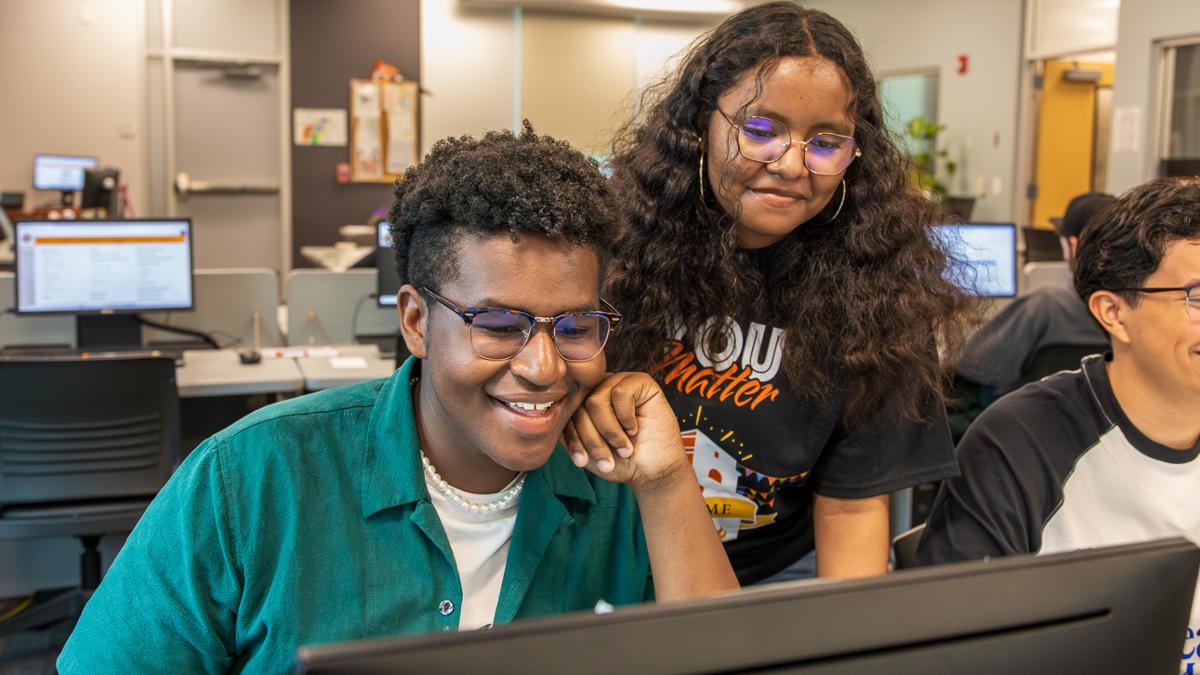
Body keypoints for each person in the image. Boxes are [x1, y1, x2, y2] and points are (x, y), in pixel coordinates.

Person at [56, 126, 737, 673]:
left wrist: (668, 480)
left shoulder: (619, 484)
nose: (543, 365)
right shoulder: (248, 479)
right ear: (416, 321)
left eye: (574, 325)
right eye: (498, 325)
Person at [563, 2, 972, 585]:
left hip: (771, 574)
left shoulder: (882, 294)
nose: (791, 164)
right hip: (598, 554)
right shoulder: (603, 246)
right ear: (702, 124)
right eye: (760, 131)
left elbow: (852, 506)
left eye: (827, 141)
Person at [917, 178, 1200, 673]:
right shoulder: (1020, 446)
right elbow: (957, 648)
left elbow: (975, 368)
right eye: (1196, 295)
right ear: (1113, 312)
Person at [955, 192, 1114, 397]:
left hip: (1026, 421)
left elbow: (974, 367)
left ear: (1073, 245)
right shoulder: (1130, 311)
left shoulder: (1046, 305)